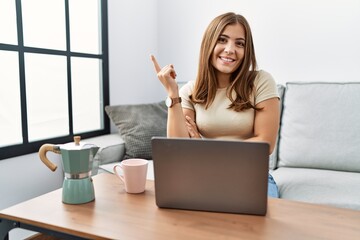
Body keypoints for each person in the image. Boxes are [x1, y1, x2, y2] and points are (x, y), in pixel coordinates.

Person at [151, 12, 280, 198]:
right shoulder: (190, 90)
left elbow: (265, 144)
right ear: (209, 44)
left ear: (246, 51)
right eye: (222, 40)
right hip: (203, 175)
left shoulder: (261, 81)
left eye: (239, 43)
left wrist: (203, 149)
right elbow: (179, 149)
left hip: (251, 175)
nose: (230, 49)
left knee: (256, 225)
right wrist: (172, 93)